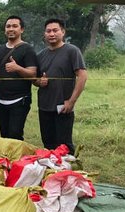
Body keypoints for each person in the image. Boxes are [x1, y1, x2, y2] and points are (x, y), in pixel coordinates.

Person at [34, 18, 87, 153]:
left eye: (55, 30)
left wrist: (71, 101)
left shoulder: (72, 51)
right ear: (44, 34)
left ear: (63, 32)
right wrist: (39, 81)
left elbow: (82, 76)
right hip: (44, 106)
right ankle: (53, 172)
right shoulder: (40, 55)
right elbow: (35, 79)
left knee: (64, 145)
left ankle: (67, 172)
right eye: (48, 31)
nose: (52, 34)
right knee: (48, 143)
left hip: (63, 106)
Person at [0, 15, 38, 141]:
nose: (11, 29)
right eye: (8, 26)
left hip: (19, 100)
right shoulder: (0, 49)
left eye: (15, 26)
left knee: (15, 135)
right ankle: (7, 160)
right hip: (1, 100)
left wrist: (17, 68)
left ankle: (18, 160)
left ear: (22, 29)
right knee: (4, 135)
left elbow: (33, 74)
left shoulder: (27, 49)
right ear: (4, 30)